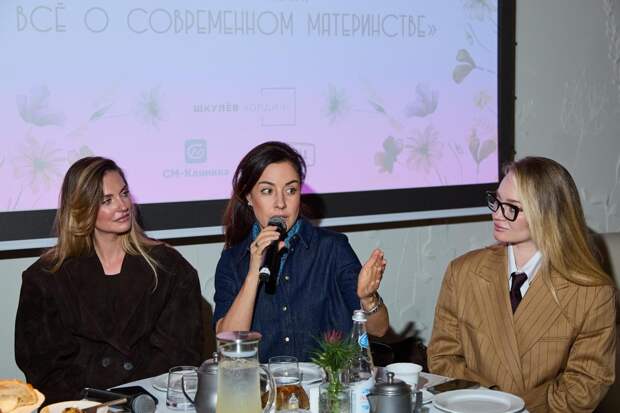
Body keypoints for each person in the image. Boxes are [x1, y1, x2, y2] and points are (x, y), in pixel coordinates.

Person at [427, 157, 616, 413]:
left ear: (547, 214)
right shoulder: (462, 272)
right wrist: (489, 402)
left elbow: (585, 387)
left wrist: (514, 406)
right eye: (496, 201)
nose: (496, 214)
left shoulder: (592, 293)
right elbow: (442, 359)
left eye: (512, 208)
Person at [15, 157, 204, 404]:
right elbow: (43, 366)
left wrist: (133, 399)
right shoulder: (44, 278)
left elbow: (182, 354)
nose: (123, 205)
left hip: (151, 403)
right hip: (79, 405)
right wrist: (95, 402)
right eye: (107, 200)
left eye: (124, 193)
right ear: (81, 209)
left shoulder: (169, 267)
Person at [213, 141, 389, 362]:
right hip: (263, 383)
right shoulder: (232, 260)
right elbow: (228, 345)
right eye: (267, 191)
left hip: (328, 381)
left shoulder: (332, 248)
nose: (280, 203)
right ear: (249, 197)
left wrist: (368, 297)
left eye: (291, 190)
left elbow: (379, 329)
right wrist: (253, 273)